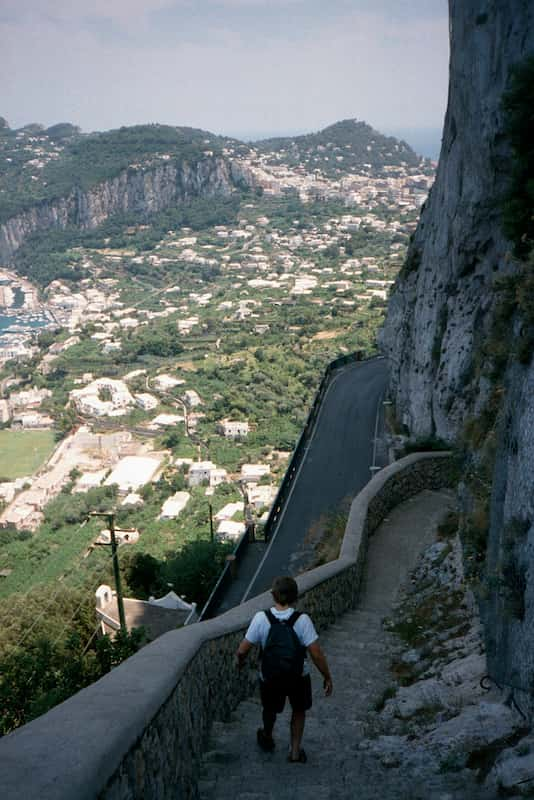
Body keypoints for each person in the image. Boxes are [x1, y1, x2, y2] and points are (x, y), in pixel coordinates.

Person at [236, 575, 333, 763]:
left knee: (269, 708)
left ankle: (268, 735)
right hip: (298, 676)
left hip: (270, 676)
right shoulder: (302, 620)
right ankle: (295, 751)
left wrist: (239, 663)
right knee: (298, 709)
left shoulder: (261, 618)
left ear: (273, 595)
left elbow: (242, 650)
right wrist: (327, 676)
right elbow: (316, 653)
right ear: (295, 597)